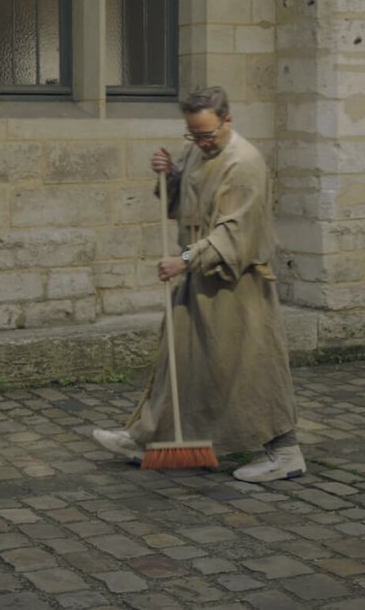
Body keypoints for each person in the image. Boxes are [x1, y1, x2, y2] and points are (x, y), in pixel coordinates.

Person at [92, 86, 305, 483]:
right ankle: (148, 439)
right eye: (193, 134)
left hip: (236, 288)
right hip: (198, 279)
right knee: (181, 362)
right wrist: (170, 173)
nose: (202, 142)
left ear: (228, 120)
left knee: (249, 370)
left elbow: (233, 235)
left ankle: (285, 452)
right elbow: (187, 204)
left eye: (208, 134)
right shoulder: (199, 151)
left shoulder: (244, 165)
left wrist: (184, 260)